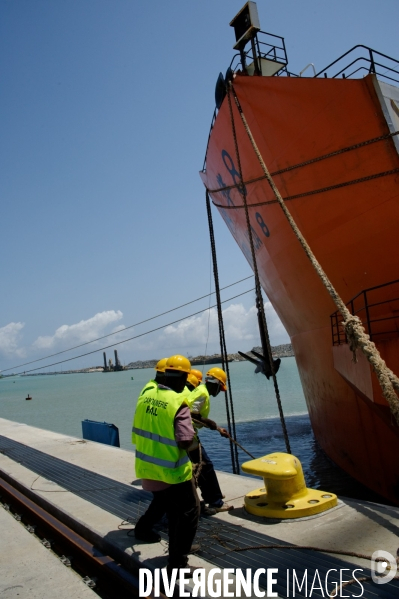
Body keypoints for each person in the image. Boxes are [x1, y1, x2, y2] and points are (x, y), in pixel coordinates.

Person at [132, 354, 200, 574]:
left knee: (172, 512)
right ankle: (178, 562)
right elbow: (185, 440)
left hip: (147, 466)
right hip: (173, 471)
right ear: (181, 378)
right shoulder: (177, 402)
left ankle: (175, 553)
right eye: (185, 380)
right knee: (189, 512)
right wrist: (195, 454)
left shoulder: (146, 394)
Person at [187, 367, 233, 513]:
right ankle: (215, 501)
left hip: (186, 433)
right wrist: (213, 425)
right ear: (216, 384)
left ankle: (212, 496)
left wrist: (218, 428)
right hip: (188, 435)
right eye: (220, 388)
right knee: (205, 467)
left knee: (201, 467)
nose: (219, 392)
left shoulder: (200, 390)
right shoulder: (203, 394)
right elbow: (192, 415)